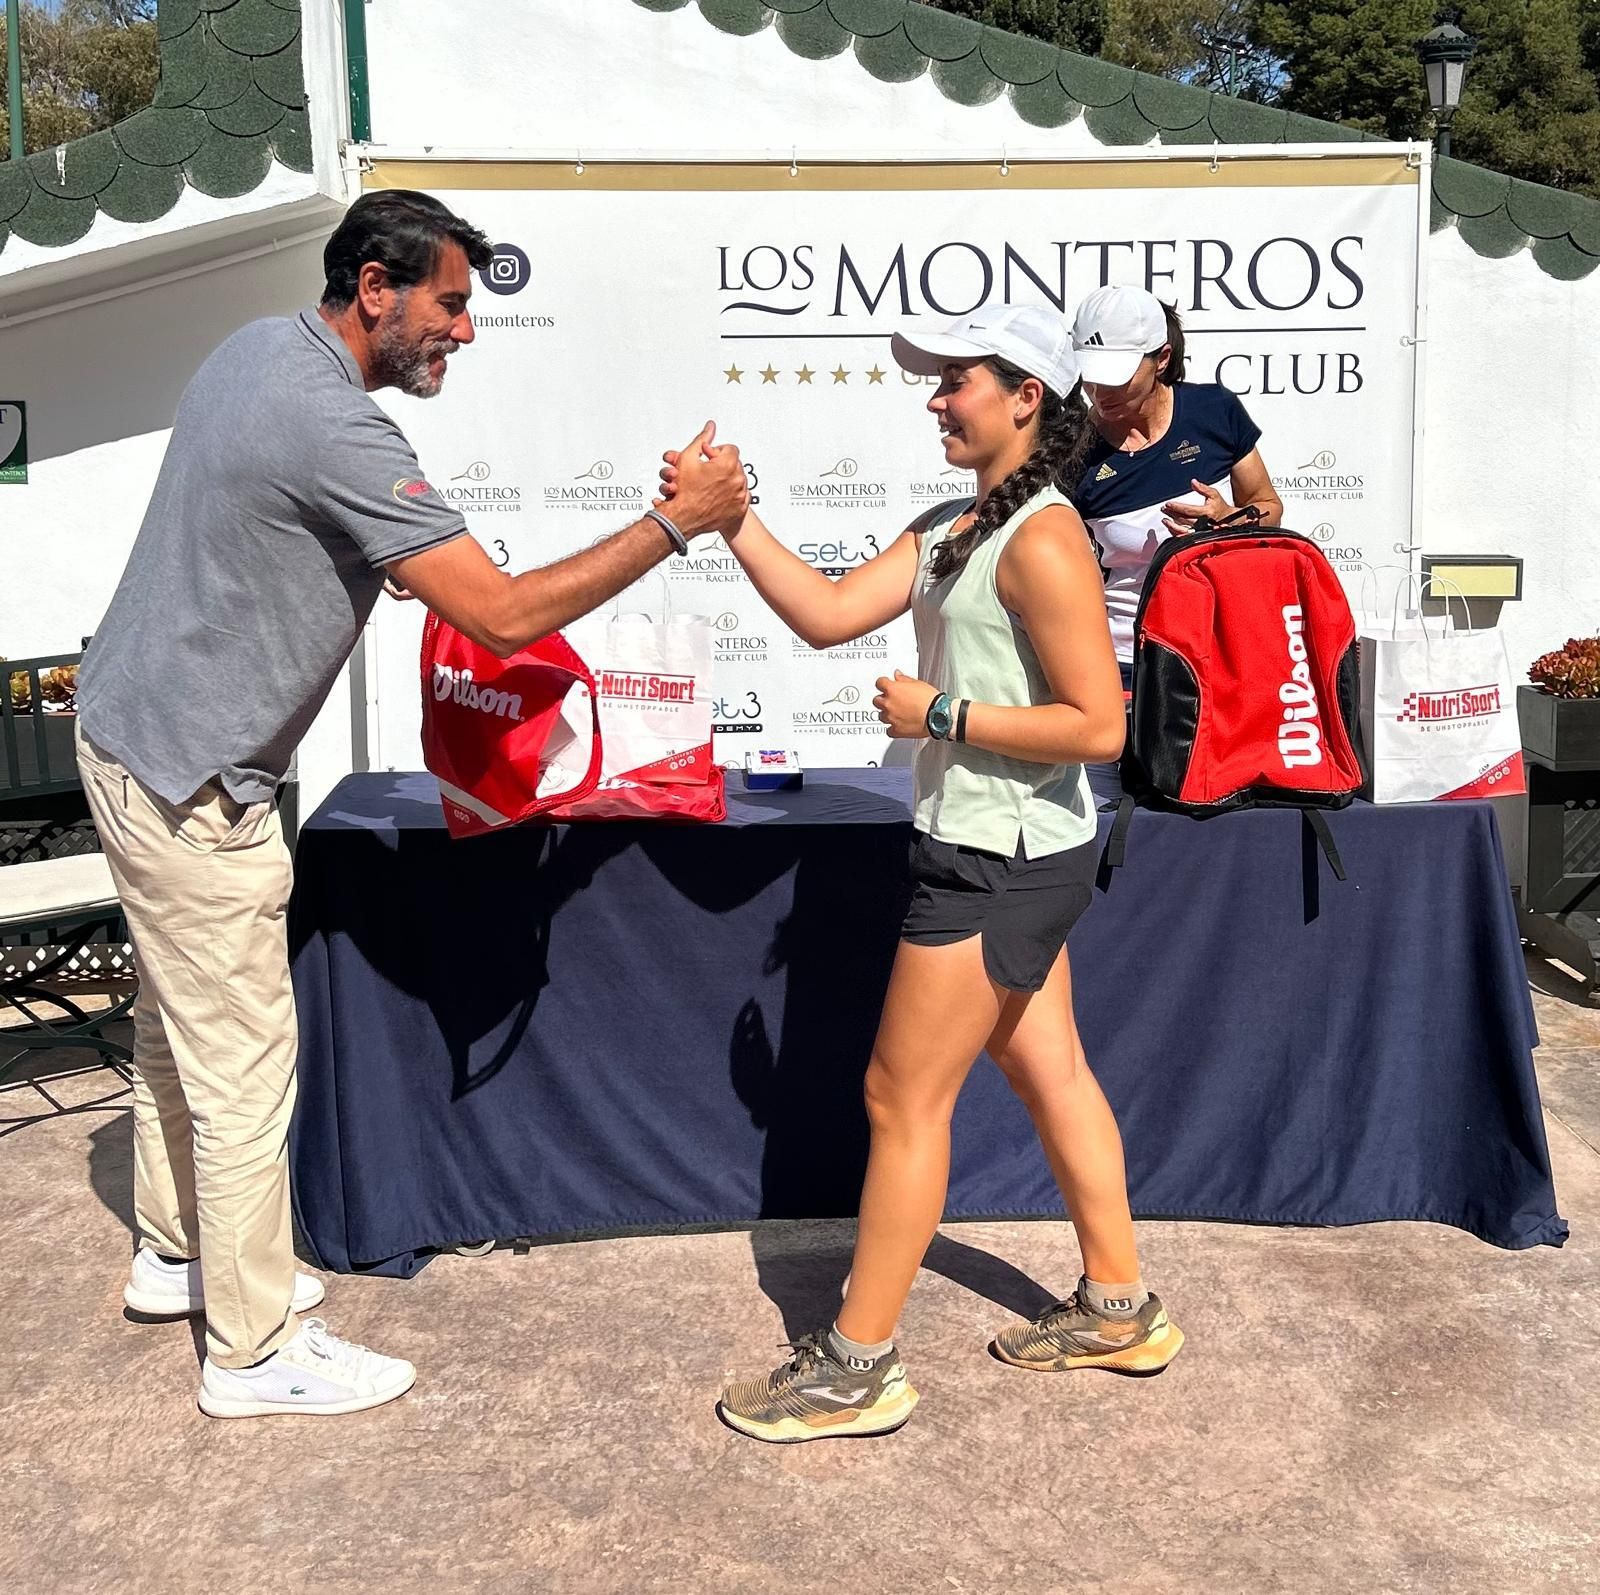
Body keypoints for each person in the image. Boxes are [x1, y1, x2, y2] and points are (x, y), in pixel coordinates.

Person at [75, 189, 748, 1419]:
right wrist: (675, 523)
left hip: (135, 737)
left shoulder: (257, 349)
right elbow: (497, 612)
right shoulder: (335, 425)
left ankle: (179, 1255)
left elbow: (273, 527)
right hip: (188, 777)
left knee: (179, 1030)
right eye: (449, 303)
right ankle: (252, 1345)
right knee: (243, 1065)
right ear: (375, 291)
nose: (467, 331)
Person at [659, 303, 1183, 1444]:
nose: (936, 399)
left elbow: (1099, 725)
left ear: (1024, 398)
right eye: (937, 381)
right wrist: (731, 519)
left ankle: (858, 1365)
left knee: (901, 1100)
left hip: (999, 859)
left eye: (957, 382)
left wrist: (941, 709)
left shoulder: (1042, 535)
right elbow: (828, 613)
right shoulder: (958, 520)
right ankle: (1119, 1305)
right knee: (1053, 1075)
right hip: (1010, 851)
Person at [1070, 285, 1282, 799]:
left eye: (1117, 376)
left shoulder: (1213, 411)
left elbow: (1268, 509)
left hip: (1216, 654)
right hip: (1118, 660)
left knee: (1208, 806)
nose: (1101, 392)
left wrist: (1229, 519)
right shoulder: (1069, 445)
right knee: (1105, 815)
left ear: (1162, 358)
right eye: (1090, 375)